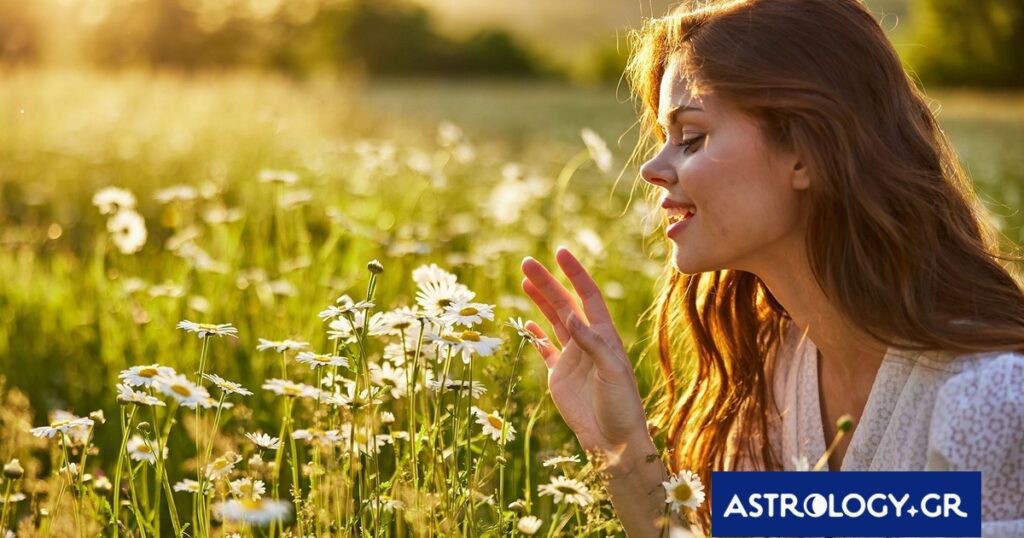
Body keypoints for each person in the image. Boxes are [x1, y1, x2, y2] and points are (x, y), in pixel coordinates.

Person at [519, 0, 1024, 536]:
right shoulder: (776, 371)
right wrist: (618, 447)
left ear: (807, 153)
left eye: (691, 137)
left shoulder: (987, 399)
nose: (652, 168)